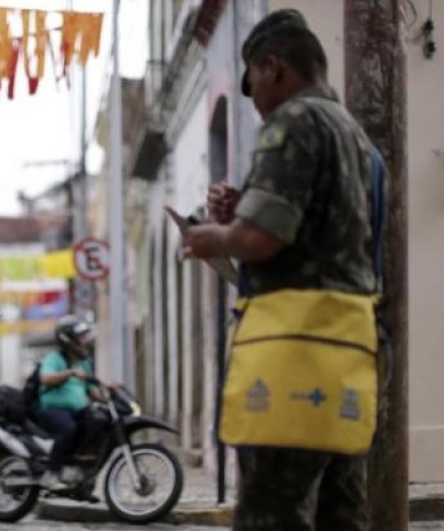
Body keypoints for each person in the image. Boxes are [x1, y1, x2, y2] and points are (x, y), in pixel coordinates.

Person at [184, 9, 385, 531]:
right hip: (346, 350)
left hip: (292, 355)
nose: (254, 105)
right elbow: (321, 231)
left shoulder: (293, 122)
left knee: (272, 514)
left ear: (273, 67)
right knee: (341, 512)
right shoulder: (356, 137)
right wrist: (243, 210)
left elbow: (261, 239)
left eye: (252, 88)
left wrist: (212, 236)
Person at [35, 315, 101, 490]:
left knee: (98, 421)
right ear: (68, 339)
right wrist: (69, 373)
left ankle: (81, 469)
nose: (85, 340)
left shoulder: (83, 362)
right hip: (52, 410)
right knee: (67, 429)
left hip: (78, 410)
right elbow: (46, 378)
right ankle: (52, 473)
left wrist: (108, 392)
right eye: (81, 337)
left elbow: (90, 388)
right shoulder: (54, 358)